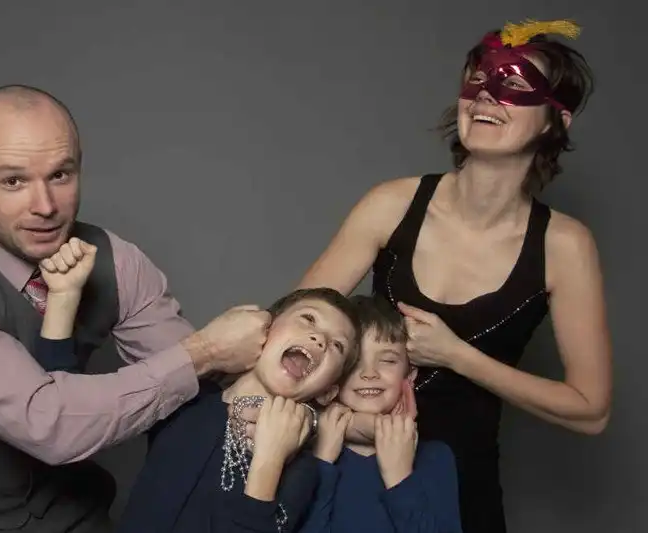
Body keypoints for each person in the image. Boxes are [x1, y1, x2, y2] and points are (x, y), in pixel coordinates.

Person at [0, 84, 271, 533]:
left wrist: (272, 408)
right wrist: (205, 352)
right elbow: (50, 424)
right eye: (13, 181)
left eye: (60, 175)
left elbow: (196, 389)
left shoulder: (117, 262)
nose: (45, 207)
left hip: (72, 516)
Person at [295, 19, 612, 533]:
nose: (486, 94)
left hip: (464, 488)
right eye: (478, 79)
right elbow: (293, 334)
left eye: (514, 84)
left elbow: (590, 411)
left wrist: (456, 355)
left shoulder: (565, 246)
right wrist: (344, 424)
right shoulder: (391, 204)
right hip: (351, 474)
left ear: (556, 121)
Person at [116, 287, 362, 533]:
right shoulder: (186, 396)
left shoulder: (302, 470)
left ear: (327, 392)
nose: (319, 339)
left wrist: (271, 459)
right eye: (308, 318)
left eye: (337, 345)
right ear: (263, 329)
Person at [300, 295, 462, 533]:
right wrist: (322, 463)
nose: (369, 373)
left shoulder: (435, 457)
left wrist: (400, 477)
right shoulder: (304, 451)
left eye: (387, 360)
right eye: (354, 361)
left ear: (409, 374)